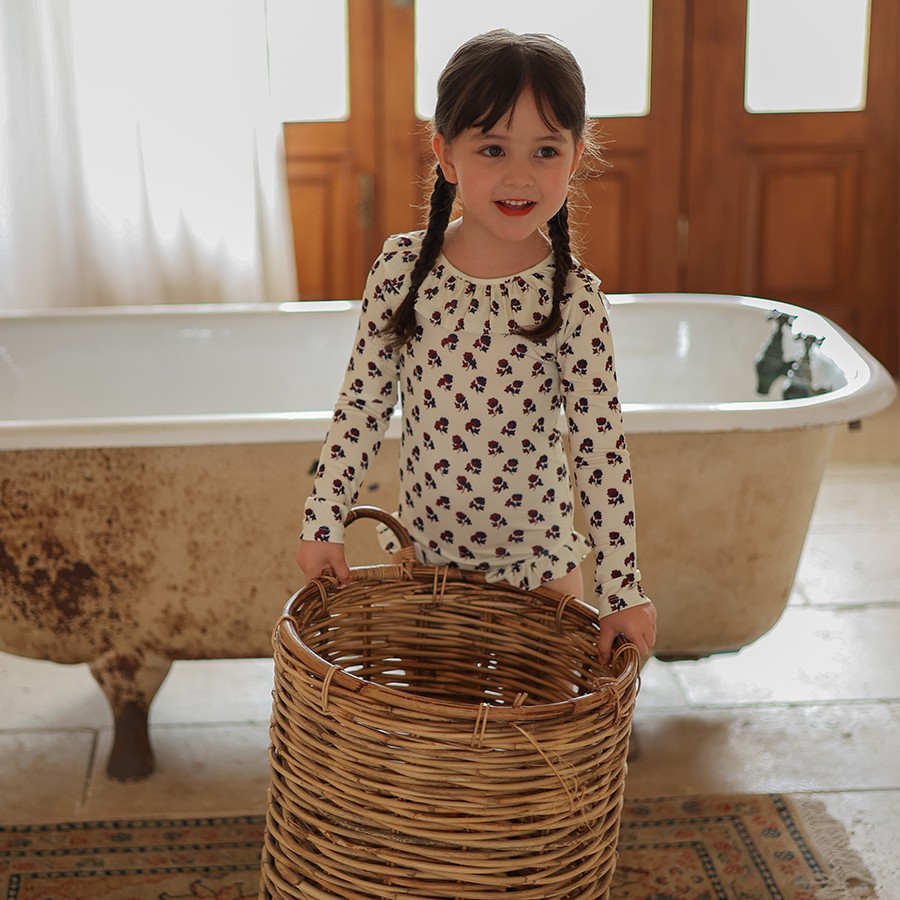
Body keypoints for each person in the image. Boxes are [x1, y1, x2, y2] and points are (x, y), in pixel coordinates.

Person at [296, 29, 656, 664]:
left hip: (543, 572)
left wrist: (622, 589)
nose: (520, 175)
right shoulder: (401, 272)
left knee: (539, 726)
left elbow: (599, 448)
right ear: (446, 154)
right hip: (424, 565)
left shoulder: (574, 298)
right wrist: (323, 519)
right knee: (431, 726)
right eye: (493, 148)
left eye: (545, 150)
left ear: (575, 158)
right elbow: (361, 407)